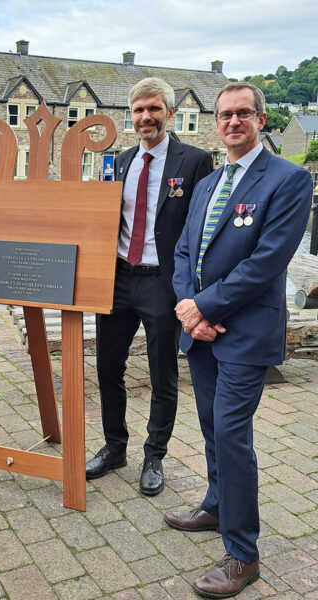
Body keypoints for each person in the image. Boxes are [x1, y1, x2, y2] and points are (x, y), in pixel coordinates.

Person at [164, 82, 312, 598]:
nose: (232, 122)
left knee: (231, 433)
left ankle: (244, 555)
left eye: (243, 113)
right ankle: (217, 504)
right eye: (225, 114)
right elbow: (185, 250)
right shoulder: (209, 181)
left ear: (262, 120)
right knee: (210, 424)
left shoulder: (290, 179)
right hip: (202, 331)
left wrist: (204, 306)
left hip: (246, 332)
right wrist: (189, 310)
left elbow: (267, 262)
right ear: (215, 122)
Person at [86, 78, 213, 496]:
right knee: (107, 367)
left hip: (163, 282)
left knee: (162, 374)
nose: (146, 117)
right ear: (131, 116)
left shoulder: (193, 162)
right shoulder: (121, 161)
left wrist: (194, 289)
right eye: (139, 110)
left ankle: (154, 454)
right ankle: (114, 446)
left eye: (154, 109)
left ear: (170, 113)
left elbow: (200, 229)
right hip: (119, 278)